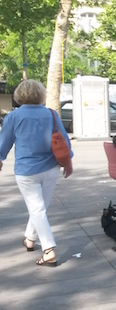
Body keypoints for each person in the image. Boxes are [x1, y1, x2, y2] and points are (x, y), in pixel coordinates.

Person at [0, 79, 74, 267]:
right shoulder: (51, 114)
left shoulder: (14, 116)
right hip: (51, 167)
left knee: (37, 208)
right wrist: (68, 161)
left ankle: (48, 250)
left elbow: (4, 142)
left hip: (26, 170)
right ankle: (30, 238)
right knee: (41, 207)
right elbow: (64, 139)